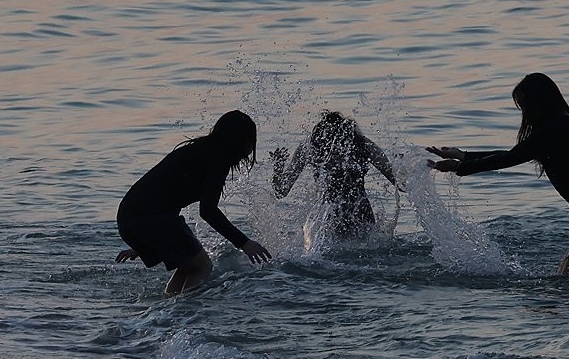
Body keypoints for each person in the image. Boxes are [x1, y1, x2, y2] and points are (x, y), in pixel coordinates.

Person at [426, 73, 569, 275]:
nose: (525, 114)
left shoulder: (557, 130)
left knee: (568, 292)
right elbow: (513, 154)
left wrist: (460, 167)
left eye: (525, 106)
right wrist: (464, 156)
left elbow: (509, 158)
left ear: (539, 103)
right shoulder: (559, 128)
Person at [116, 110, 271, 295]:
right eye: (250, 140)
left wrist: (148, 242)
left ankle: (169, 309)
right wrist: (244, 242)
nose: (250, 147)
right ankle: (183, 312)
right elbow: (208, 211)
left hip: (129, 217)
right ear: (239, 140)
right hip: (150, 219)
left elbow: (161, 194)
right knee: (202, 266)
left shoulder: (199, 150)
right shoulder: (218, 158)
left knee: (188, 265)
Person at [271, 111, 399, 240]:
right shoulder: (364, 145)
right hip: (359, 214)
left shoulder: (311, 147)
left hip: (332, 216)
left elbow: (281, 191)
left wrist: (278, 168)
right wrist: (404, 168)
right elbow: (400, 184)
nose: (337, 151)